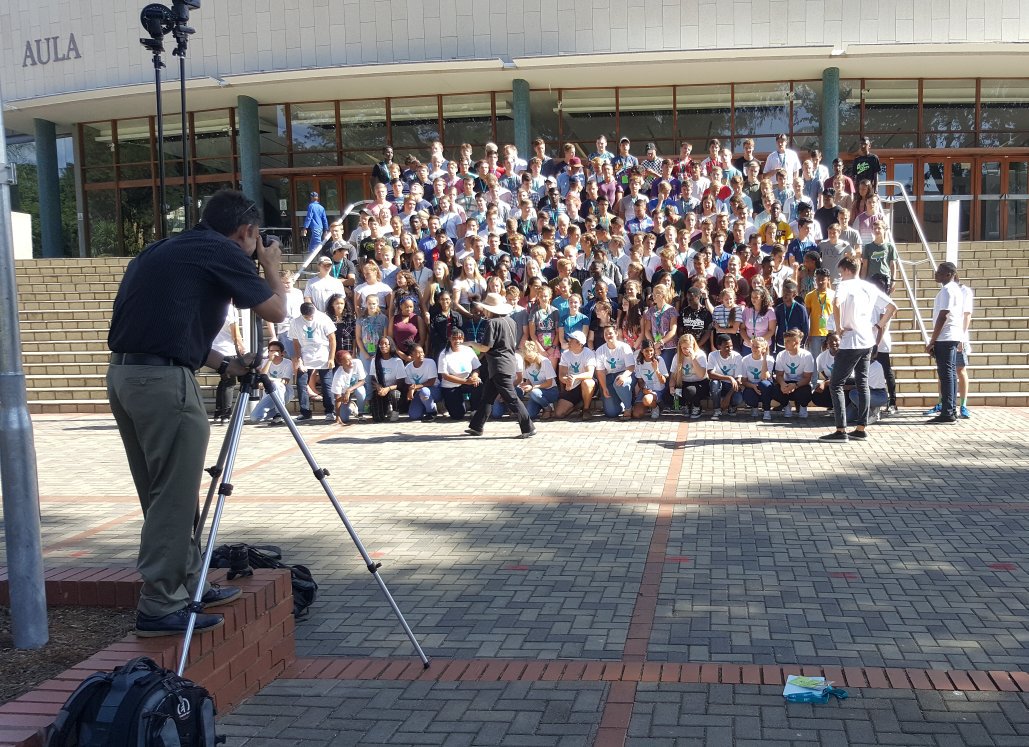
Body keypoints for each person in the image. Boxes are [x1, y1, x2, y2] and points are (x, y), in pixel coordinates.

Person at [107, 188, 287, 636]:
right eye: (255, 237)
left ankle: (188, 584)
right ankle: (161, 604)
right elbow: (276, 310)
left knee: (164, 491)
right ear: (246, 231)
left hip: (127, 376)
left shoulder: (168, 247)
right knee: (173, 496)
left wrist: (225, 365)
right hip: (164, 385)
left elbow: (169, 328)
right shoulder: (221, 249)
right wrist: (271, 267)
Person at [820, 256, 896, 441]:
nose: (840, 276)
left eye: (840, 272)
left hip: (851, 341)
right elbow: (892, 307)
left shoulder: (844, 285)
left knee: (836, 383)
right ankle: (861, 428)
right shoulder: (869, 286)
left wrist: (837, 328)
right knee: (862, 383)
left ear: (846, 270)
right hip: (867, 340)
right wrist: (878, 326)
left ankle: (841, 430)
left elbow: (836, 304)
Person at [464, 293, 536, 437]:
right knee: (487, 397)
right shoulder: (510, 321)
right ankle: (477, 426)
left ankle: (528, 427)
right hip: (506, 363)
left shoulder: (492, 323)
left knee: (512, 398)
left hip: (499, 365)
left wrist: (471, 343)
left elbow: (485, 347)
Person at [925, 262, 964, 424]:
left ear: (949, 274)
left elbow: (943, 315)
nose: (936, 274)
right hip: (951, 335)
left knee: (946, 374)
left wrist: (932, 340)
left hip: (945, 337)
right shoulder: (954, 289)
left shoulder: (948, 290)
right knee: (949, 374)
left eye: (940, 272)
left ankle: (948, 412)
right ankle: (951, 410)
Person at [291, 301, 337, 422]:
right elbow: (295, 342)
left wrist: (331, 358)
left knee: (327, 384)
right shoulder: (296, 322)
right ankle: (305, 412)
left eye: (311, 315)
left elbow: (332, 339)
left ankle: (329, 411)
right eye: (307, 316)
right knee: (301, 383)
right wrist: (299, 358)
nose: (309, 318)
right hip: (306, 356)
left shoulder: (323, 318)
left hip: (323, 354)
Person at [767, 328, 815, 420]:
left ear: (796, 342)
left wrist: (795, 385)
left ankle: (803, 407)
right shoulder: (781, 355)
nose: (785, 343)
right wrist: (782, 384)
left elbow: (807, 378)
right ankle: (786, 406)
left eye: (788, 341)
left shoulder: (807, 356)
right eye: (785, 341)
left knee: (806, 392)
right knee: (774, 390)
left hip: (800, 384)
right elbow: (779, 375)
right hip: (786, 383)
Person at [437, 327, 483, 419]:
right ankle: (462, 405)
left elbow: (476, 368)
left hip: (468, 381)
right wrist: (466, 381)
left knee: (478, 384)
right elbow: (445, 376)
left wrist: (474, 376)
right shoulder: (443, 354)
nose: (457, 341)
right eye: (454, 338)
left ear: (463, 339)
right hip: (451, 385)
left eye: (460, 338)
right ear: (450, 339)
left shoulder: (468, 350)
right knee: (457, 416)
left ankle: (475, 409)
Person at [553, 329, 598, 420]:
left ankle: (586, 409)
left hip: (585, 383)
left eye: (571, 340)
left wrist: (574, 377)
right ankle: (577, 406)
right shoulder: (565, 354)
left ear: (580, 344)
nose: (568, 341)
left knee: (587, 382)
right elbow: (561, 374)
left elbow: (589, 374)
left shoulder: (588, 353)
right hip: (571, 385)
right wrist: (567, 380)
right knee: (559, 414)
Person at [594, 325, 635, 418]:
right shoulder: (600, 350)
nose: (608, 336)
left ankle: (628, 408)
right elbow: (600, 371)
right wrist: (604, 388)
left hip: (625, 374)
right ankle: (621, 405)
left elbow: (631, 367)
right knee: (611, 413)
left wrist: (624, 376)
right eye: (605, 334)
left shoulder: (624, 347)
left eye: (610, 333)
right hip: (609, 377)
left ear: (616, 333)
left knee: (619, 382)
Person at [250, 340, 294, 424]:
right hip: (269, 395)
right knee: (254, 417)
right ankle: (278, 413)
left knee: (277, 384)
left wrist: (268, 379)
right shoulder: (266, 362)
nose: (274, 354)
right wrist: (270, 360)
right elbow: (262, 376)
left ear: (282, 353)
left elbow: (285, 381)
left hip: (284, 393)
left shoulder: (288, 363)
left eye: (277, 351)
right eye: (271, 351)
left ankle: (279, 413)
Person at [669, 333, 709, 419]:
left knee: (690, 391)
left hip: (699, 382)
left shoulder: (700, 355)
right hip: (684, 382)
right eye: (683, 348)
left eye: (688, 348)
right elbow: (673, 375)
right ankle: (686, 405)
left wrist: (693, 358)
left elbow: (701, 375)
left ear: (693, 346)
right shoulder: (677, 356)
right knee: (670, 395)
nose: (686, 350)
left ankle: (697, 406)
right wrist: (671, 387)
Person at [368, 336, 407, 422]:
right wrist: (378, 387)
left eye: (386, 344)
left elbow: (401, 383)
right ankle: (386, 408)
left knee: (395, 394)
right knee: (377, 418)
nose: (383, 346)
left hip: (393, 389)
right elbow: (373, 379)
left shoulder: (397, 361)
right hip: (381, 390)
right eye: (381, 344)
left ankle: (395, 411)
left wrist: (388, 389)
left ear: (391, 346)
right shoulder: (375, 360)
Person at [707, 333, 744, 418]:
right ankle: (717, 410)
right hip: (720, 384)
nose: (730, 349)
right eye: (726, 347)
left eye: (731, 346)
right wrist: (729, 377)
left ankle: (732, 406)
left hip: (732, 387)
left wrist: (728, 397)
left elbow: (738, 379)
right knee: (714, 383)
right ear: (719, 346)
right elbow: (710, 374)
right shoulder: (713, 355)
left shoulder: (737, 356)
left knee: (738, 399)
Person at [631, 340, 668, 420]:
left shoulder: (659, 360)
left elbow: (663, 381)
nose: (649, 353)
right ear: (642, 351)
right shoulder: (638, 362)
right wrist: (643, 389)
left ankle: (655, 407)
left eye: (651, 350)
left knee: (646, 399)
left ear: (654, 350)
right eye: (646, 351)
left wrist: (657, 370)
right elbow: (640, 381)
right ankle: (650, 405)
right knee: (637, 414)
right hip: (646, 390)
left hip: (658, 389)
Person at [330, 349, 367, 425]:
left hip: (356, 388)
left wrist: (349, 390)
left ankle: (361, 413)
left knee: (361, 392)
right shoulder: (338, 376)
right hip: (344, 396)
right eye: (347, 360)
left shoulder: (357, 363)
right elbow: (337, 398)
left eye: (351, 359)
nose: (351, 362)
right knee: (344, 418)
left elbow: (362, 381)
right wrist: (337, 417)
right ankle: (351, 406)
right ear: (341, 363)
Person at [404, 344, 439, 421]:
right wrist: (411, 390)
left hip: (434, 390)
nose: (421, 355)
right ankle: (426, 406)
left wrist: (415, 387)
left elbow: (431, 382)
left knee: (424, 391)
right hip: (419, 392)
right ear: (411, 355)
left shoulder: (430, 362)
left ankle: (432, 412)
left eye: (422, 352)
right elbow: (409, 384)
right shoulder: (408, 368)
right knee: (414, 415)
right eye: (418, 353)